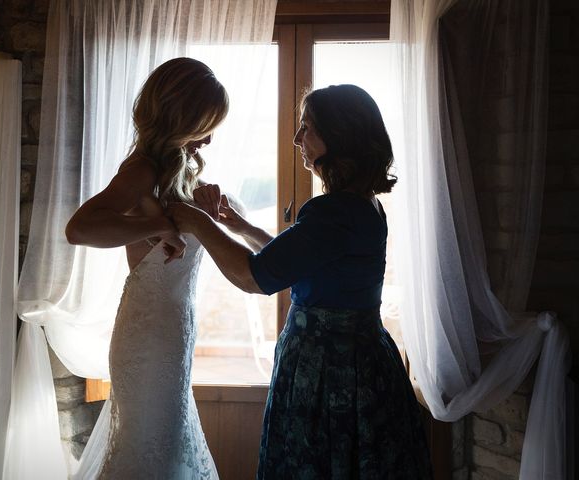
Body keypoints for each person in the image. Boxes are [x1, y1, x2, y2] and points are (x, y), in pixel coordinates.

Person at [168, 84, 434, 479]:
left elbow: (254, 277)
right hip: (364, 358)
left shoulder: (333, 210)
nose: (296, 140)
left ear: (338, 136)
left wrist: (195, 220)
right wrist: (242, 228)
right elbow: (305, 259)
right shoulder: (362, 203)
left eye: (306, 127)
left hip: (329, 369)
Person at [65, 57, 228, 479]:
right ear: (181, 119)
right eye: (203, 125)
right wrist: (158, 223)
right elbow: (80, 228)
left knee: (170, 445)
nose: (208, 139)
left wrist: (209, 214)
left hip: (174, 333)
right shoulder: (142, 169)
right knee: (153, 447)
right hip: (149, 337)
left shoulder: (174, 174)